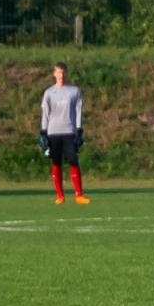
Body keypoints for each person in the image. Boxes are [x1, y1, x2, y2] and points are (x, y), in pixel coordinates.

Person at [40, 62, 88, 205]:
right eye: (58, 72)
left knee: (73, 160)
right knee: (56, 162)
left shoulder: (74, 91)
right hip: (53, 132)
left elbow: (78, 111)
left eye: (63, 72)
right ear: (54, 74)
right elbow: (45, 114)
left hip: (69, 131)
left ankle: (79, 195)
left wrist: (79, 129)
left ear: (66, 73)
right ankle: (60, 196)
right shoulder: (49, 93)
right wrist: (43, 132)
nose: (61, 75)